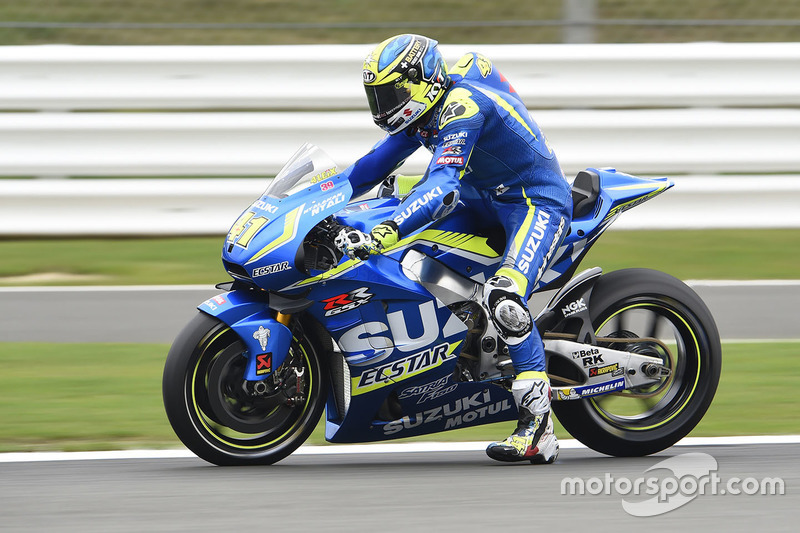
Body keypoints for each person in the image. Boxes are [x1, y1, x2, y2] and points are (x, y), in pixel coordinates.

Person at [335, 34, 572, 464]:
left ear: (421, 80)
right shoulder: (424, 110)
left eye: (392, 92)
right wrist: (321, 201)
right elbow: (369, 167)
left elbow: (441, 187)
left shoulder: (462, 108)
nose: (384, 103)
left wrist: (390, 228)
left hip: (535, 202)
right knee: (406, 244)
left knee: (505, 298)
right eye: (378, 95)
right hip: (482, 197)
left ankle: (538, 426)